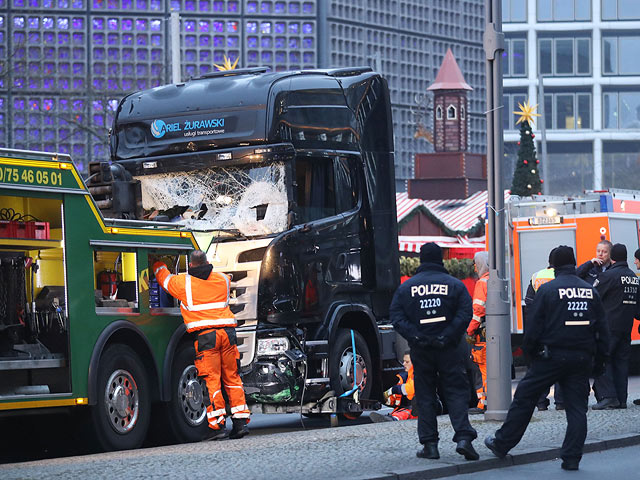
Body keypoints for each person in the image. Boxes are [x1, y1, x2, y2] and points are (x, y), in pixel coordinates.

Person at [484, 246, 609, 471]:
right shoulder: (590, 291)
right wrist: (599, 362)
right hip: (581, 358)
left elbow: (533, 327)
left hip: (551, 357)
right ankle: (571, 458)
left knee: (524, 398)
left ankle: (502, 443)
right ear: (573, 263)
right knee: (577, 409)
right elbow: (602, 330)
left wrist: (530, 354)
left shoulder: (548, 290)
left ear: (553, 266)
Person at [390, 242, 479, 461]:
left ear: (421, 259)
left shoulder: (407, 288)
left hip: (422, 350)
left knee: (426, 395)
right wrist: (448, 335)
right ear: (441, 260)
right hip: (450, 348)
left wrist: (417, 335)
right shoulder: (455, 285)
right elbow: (465, 312)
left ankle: (430, 446)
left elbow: (396, 317)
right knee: (456, 391)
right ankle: (464, 439)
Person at [153, 250, 250, 440]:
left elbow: (164, 279)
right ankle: (240, 423)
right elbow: (226, 281)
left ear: (190, 265)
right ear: (207, 262)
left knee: (212, 380)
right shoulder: (223, 279)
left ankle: (217, 426)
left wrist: (158, 263)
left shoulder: (184, 283)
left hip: (207, 337)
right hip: (228, 334)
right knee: (232, 378)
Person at [591, 243, 639, 410]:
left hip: (608, 327)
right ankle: (621, 399)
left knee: (602, 359)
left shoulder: (609, 276)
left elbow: (592, 296)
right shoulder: (633, 276)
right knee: (621, 363)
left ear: (612, 257)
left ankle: (608, 397)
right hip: (626, 328)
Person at [524, 248, 564, 411]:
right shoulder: (562, 277)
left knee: (541, 366)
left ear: (549, 261)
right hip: (559, 326)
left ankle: (541, 402)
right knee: (561, 364)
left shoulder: (536, 276)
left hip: (541, 327)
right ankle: (561, 402)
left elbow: (528, 301)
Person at [370, 351, 422, 422]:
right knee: (405, 409)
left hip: (426, 404)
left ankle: (393, 418)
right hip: (418, 405)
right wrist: (384, 400)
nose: (404, 364)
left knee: (410, 410)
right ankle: (392, 417)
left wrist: (393, 390)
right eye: (403, 361)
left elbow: (410, 389)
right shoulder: (408, 375)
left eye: (407, 362)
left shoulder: (419, 374)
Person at [466, 251, 488, 414]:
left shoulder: (482, 283)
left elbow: (478, 311)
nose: (474, 268)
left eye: (475, 264)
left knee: (483, 370)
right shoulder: (496, 280)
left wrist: (470, 331)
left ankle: (484, 404)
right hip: (494, 333)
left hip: (482, 335)